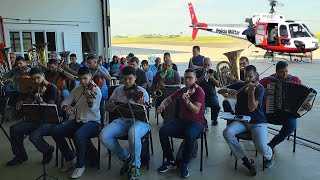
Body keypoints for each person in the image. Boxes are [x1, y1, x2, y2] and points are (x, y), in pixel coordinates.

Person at [219, 65, 274, 176]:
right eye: (246, 77)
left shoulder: (259, 88)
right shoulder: (240, 85)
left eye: (250, 77)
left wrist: (250, 93)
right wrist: (228, 90)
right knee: (227, 132)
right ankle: (245, 160)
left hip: (258, 122)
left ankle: (270, 156)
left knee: (261, 147)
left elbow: (252, 108)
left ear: (256, 75)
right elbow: (220, 90)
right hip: (242, 121)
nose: (248, 79)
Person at [51, 66, 102, 179]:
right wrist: (65, 107)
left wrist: (90, 101)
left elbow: (95, 109)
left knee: (78, 135)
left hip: (93, 122)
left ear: (90, 76)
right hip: (78, 120)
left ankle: (80, 165)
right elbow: (65, 101)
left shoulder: (96, 90)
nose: (83, 81)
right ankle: (70, 158)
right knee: (55, 131)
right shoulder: (77, 89)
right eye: (80, 79)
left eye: (85, 78)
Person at [100, 66, 150, 179]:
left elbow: (147, 112)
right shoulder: (118, 90)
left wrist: (142, 105)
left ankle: (135, 166)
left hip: (140, 122)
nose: (127, 82)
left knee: (133, 132)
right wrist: (111, 105)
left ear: (135, 78)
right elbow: (107, 107)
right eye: (125, 79)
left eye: (130, 79)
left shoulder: (142, 92)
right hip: (123, 120)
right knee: (104, 135)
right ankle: (126, 157)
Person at [157, 68, 205, 178]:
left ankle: (185, 163)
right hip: (182, 121)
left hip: (196, 122)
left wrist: (187, 102)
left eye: (190, 78)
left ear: (195, 79)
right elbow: (168, 99)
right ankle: (170, 160)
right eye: (185, 78)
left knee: (189, 134)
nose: (187, 80)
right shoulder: (182, 90)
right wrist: (162, 105)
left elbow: (196, 110)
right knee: (163, 131)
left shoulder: (199, 91)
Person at [6, 67, 59, 166]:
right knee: (15, 128)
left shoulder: (52, 88)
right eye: (33, 79)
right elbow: (29, 101)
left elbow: (50, 109)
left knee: (34, 136)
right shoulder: (37, 87)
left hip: (50, 121)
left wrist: (41, 101)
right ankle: (20, 156)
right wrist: (22, 102)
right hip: (37, 118)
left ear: (43, 75)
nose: (36, 81)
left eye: (38, 78)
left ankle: (48, 150)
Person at [259, 61, 311, 150]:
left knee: (291, 126)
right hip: (270, 112)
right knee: (256, 119)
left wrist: (306, 105)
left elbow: (302, 97)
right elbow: (254, 87)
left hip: (288, 114)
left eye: (286, 71)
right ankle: (259, 142)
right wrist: (262, 91)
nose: (285, 74)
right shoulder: (268, 80)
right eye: (282, 72)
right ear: (276, 72)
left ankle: (272, 144)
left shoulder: (295, 80)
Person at [196, 58, 221, 126]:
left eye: (208, 65)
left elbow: (218, 85)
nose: (207, 66)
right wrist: (203, 76)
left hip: (211, 94)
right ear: (202, 65)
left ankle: (214, 119)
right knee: (199, 108)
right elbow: (196, 84)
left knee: (216, 106)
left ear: (211, 65)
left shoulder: (214, 72)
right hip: (200, 95)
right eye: (205, 64)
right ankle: (204, 121)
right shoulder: (198, 72)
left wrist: (212, 78)